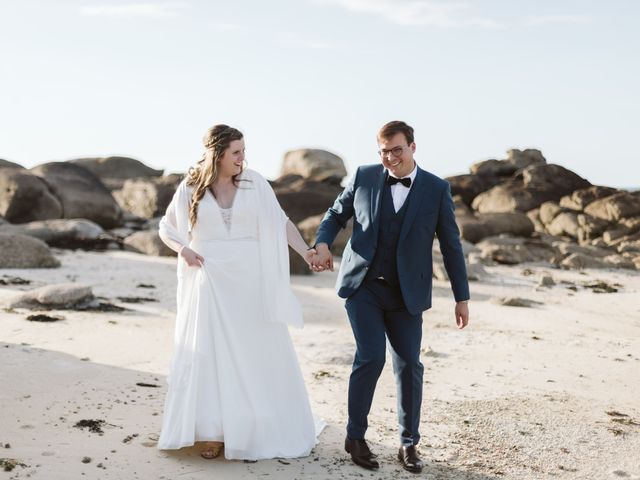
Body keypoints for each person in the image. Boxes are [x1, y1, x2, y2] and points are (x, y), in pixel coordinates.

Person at [156, 124, 324, 460]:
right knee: (210, 355)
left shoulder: (255, 182)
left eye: (244, 151)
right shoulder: (191, 187)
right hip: (210, 280)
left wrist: (306, 251)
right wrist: (182, 250)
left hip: (250, 282)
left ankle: (254, 425)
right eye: (236, 152)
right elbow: (166, 227)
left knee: (255, 353)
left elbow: (280, 222)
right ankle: (212, 431)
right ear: (217, 154)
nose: (242, 158)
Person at [312, 121, 470, 473]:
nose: (390, 158)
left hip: (407, 293)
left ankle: (409, 443)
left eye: (396, 150)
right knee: (370, 357)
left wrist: (461, 296)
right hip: (363, 286)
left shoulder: (435, 189)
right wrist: (322, 242)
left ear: (413, 146)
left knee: (409, 364)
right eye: (384, 151)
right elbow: (337, 213)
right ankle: (355, 436)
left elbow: (451, 245)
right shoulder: (364, 176)